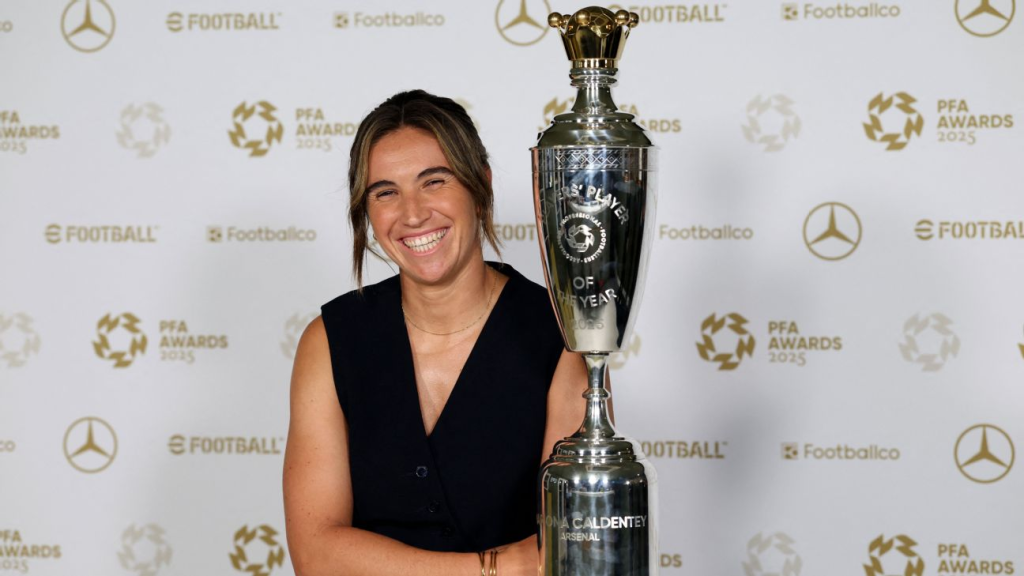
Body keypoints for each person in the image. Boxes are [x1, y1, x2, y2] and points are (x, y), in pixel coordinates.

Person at [282, 90, 591, 576]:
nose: (412, 214)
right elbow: (315, 555)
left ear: (480, 184)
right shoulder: (329, 340)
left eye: (434, 181)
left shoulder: (561, 337)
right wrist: (494, 568)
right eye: (385, 192)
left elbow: (571, 548)